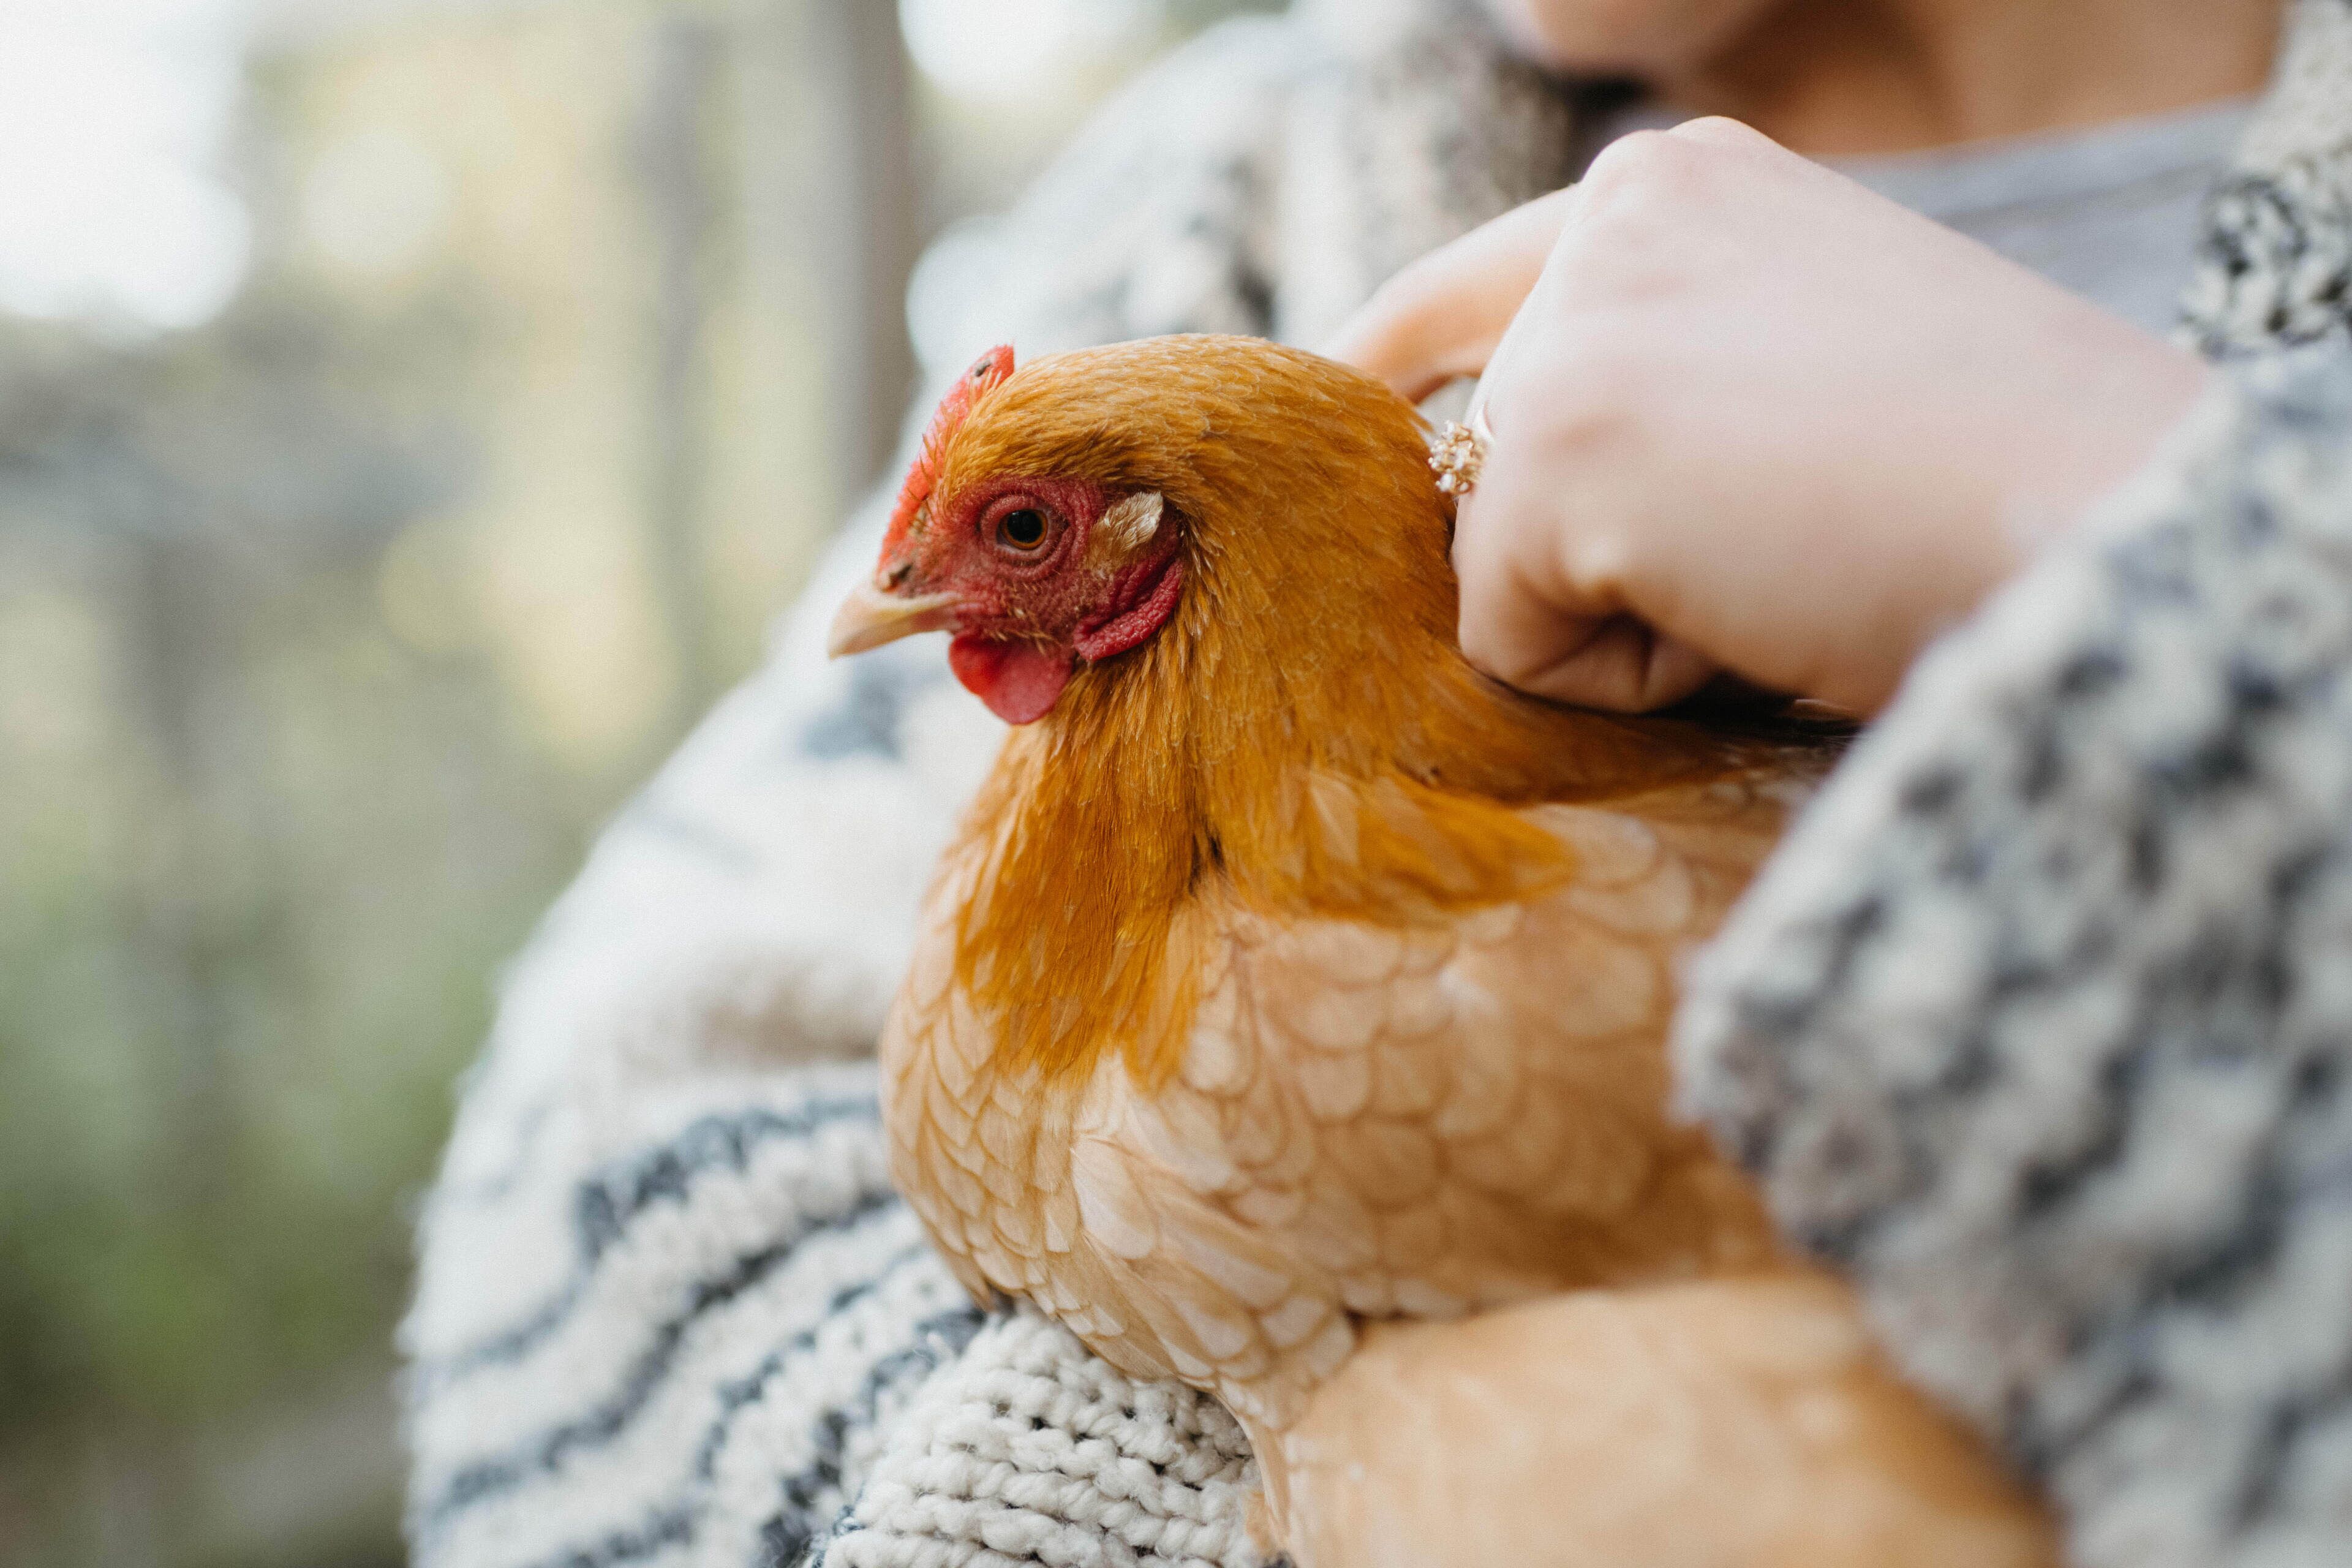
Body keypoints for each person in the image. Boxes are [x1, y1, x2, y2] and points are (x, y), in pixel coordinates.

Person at [399, 2, 2352, 1565]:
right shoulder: (1231, 194)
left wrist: (2173, 528)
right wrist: (1216, 1477)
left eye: (1010, 533)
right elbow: (571, 1253)